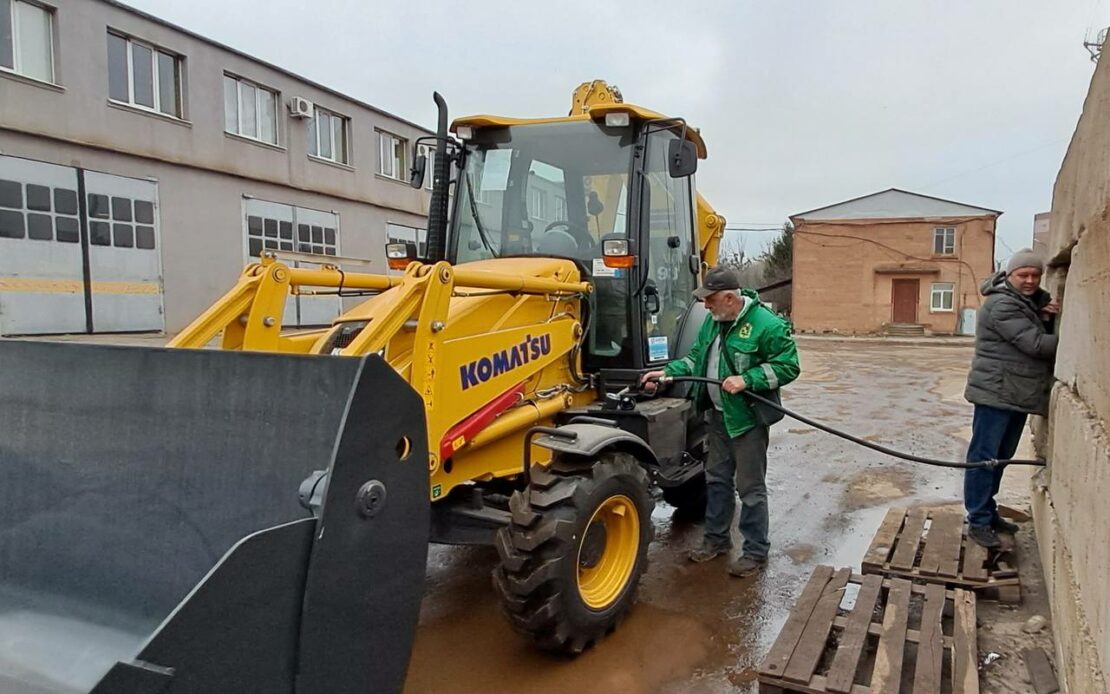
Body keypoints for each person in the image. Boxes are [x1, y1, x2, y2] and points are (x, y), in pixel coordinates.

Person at [641, 266, 800, 576]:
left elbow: (788, 366)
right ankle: (716, 541)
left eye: (710, 300)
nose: (705, 306)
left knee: (750, 488)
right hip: (717, 417)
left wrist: (747, 379)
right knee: (716, 481)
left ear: (729, 298)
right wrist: (668, 372)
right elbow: (697, 357)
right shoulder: (713, 323)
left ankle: (755, 552)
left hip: (747, 420)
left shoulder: (766, 325)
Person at [963, 249, 1060, 548]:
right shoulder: (1002, 305)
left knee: (999, 459)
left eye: (1035, 275)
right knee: (984, 458)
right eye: (1023, 275)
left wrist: (1042, 313)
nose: (1030, 281)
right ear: (1009, 276)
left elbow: (1030, 330)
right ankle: (977, 521)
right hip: (996, 392)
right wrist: (1074, 335)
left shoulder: (1022, 303)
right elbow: (1033, 344)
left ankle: (988, 512)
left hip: (1014, 392)